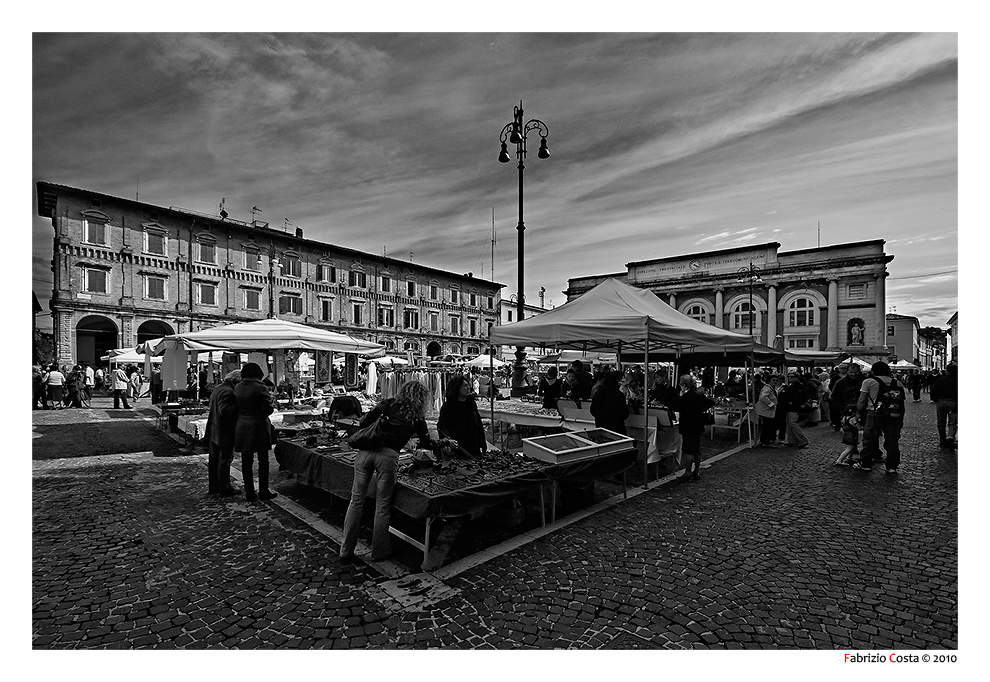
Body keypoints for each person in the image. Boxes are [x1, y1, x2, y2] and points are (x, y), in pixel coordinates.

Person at [339, 380, 439, 562]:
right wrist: (444, 443)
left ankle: (346, 549)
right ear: (421, 398)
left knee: (356, 501)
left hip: (366, 452)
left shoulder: (387, 403)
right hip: (388, 457)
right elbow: (427, 445)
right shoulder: (417, 418)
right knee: (382, 506)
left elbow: (363, 423)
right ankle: (379, 551)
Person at [234, 362, 277, 501]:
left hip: (242, 425)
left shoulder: (238, 387)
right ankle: (263, 491)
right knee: (263, 460)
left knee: (246, 460)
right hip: (258, 425)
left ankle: (249, 492)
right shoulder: (260, 387)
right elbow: (268, 409)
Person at [855, 361, 905, 474]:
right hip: (894, 414)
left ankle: (866, 464)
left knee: (869, 439)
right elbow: (901, 403)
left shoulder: (869, 382)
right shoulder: (897, 383)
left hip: (874, 413)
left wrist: (858, 413)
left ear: (873, 371)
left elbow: (862, 400)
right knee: (892, 440)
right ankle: (892, 466)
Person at [205, 369, 242, 496]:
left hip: (214, 429)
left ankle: (214, 487)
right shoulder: (229, 391)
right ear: (236, 380)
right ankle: (224, 487)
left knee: (214, 460)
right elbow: (224, 410)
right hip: (224, 430)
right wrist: (240, 405)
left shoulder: (218, 388)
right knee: (225, 459)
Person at [672, 374, 715, 481]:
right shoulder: (698, 395)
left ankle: (687, 471)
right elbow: (710, 403)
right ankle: (696, 470)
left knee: (688, 450)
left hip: (687, 425)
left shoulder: (684, 397)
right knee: (696, 448)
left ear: (683, 385)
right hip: (698, 424)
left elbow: (675, 407)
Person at [436, 375, 488, 457]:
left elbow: (478, 424)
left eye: (468, 385)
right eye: (464, 386)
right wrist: (447, 443)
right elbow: (443, 426)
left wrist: (483, 445)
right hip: (458, 448)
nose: (468, 388)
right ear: (456, 387)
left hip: (474, 446)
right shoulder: (448, 406)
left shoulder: (471, 404)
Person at [590, 371, 629, 435]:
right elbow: (624, 414)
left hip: (601, 427)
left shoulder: (598, 394)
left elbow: (592, 411)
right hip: (617, 428)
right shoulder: (619, 395)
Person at [778, 371, 811, 448]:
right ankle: (792, 441)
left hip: (794, 408)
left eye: (792, 377)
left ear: (797, 377)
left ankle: (803, 441)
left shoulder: (799, 386)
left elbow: (800, 397)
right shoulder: (791, 385)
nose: (790, 378)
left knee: (793, 423)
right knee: (789, 424)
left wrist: (792, 401)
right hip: (790, 407)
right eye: (789, 377)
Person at [930, 364, 958, 449]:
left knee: (941, 422)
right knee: (952, 422)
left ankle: (943, 439)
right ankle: (950, 438)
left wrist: (935, 399)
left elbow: (934, 390)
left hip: (941, 402)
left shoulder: (940, 380)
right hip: (954, 402)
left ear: (947, 371)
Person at [755, 374, 782, 447]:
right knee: (767, 426)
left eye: (776, 380)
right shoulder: (767, 388)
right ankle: (765, 441)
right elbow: (763, 397)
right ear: (769, 381)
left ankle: (767, 440)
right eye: (773, 380)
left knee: (769, 425)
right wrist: (771, 404)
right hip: (767, 410)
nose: (775, 382)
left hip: (769, 410)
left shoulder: (771, 388)